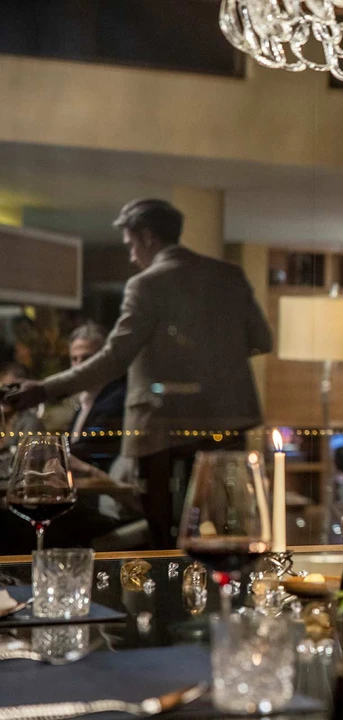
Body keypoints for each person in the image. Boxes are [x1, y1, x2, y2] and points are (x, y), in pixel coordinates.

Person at [3, 198, 273, 547]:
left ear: (147, 237)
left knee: (160, 533)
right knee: (221, 524)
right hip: (228, 418)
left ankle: (166, 592)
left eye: (131, 244)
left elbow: (114, 358)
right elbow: (261, 341)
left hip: (161, 423)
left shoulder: (146, 284)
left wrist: (43, 389)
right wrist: (210, 365)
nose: (131, 255)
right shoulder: (229, 275)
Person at [65, 322, 126, 471]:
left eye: (86, 359)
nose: (78, 367)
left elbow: (86, 449)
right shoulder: (86, 398)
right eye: (74, 359)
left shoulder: (116, 398)